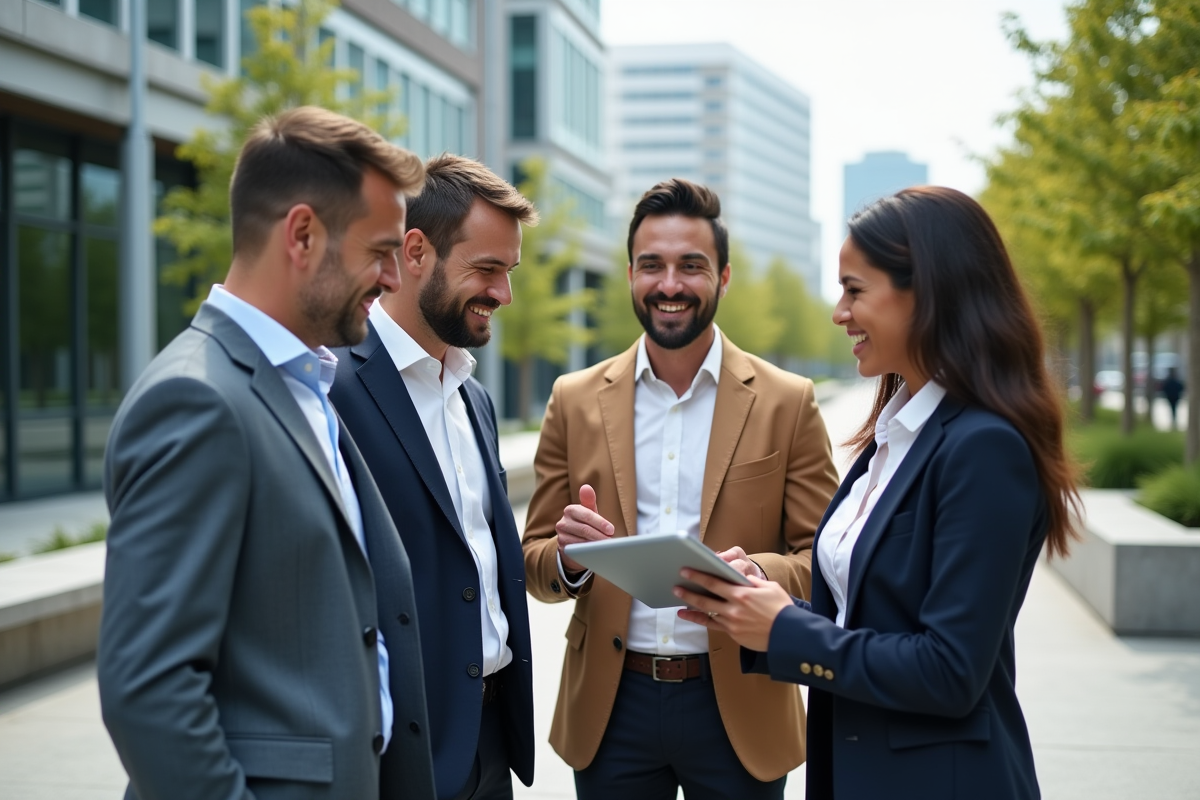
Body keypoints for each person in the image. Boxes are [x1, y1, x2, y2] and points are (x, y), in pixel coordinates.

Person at [676, 186, 1081, 800]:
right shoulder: (894, 436)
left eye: (855, 290)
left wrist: (785, 629)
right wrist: (753, 607)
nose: (839, 312)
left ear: (929, 293)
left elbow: (950, 671)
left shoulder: (984, 448)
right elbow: (871, 621)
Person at [97, 107, 436, 800]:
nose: (393, 280)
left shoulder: (307, 381)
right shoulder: (196, 403)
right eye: (379, 251)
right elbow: (149, 691)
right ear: (303, 235)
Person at [522, 178, 840, 800]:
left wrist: (757, 573)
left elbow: (824, 565)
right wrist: (569, 558)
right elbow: (533, 560)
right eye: (652, 266)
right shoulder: (573, 399)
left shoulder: (787, 402)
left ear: (722, 277)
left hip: (741, 702)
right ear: (630, 275)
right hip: (612, 709)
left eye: (691, 266)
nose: (670, 285)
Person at [329, 155, 538, 800]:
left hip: (491, 744)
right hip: (400, 757)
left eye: (510, 272)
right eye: (486, 270)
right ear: (415, 250)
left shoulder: (474, 398)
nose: (503, 294)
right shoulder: (330, 387)